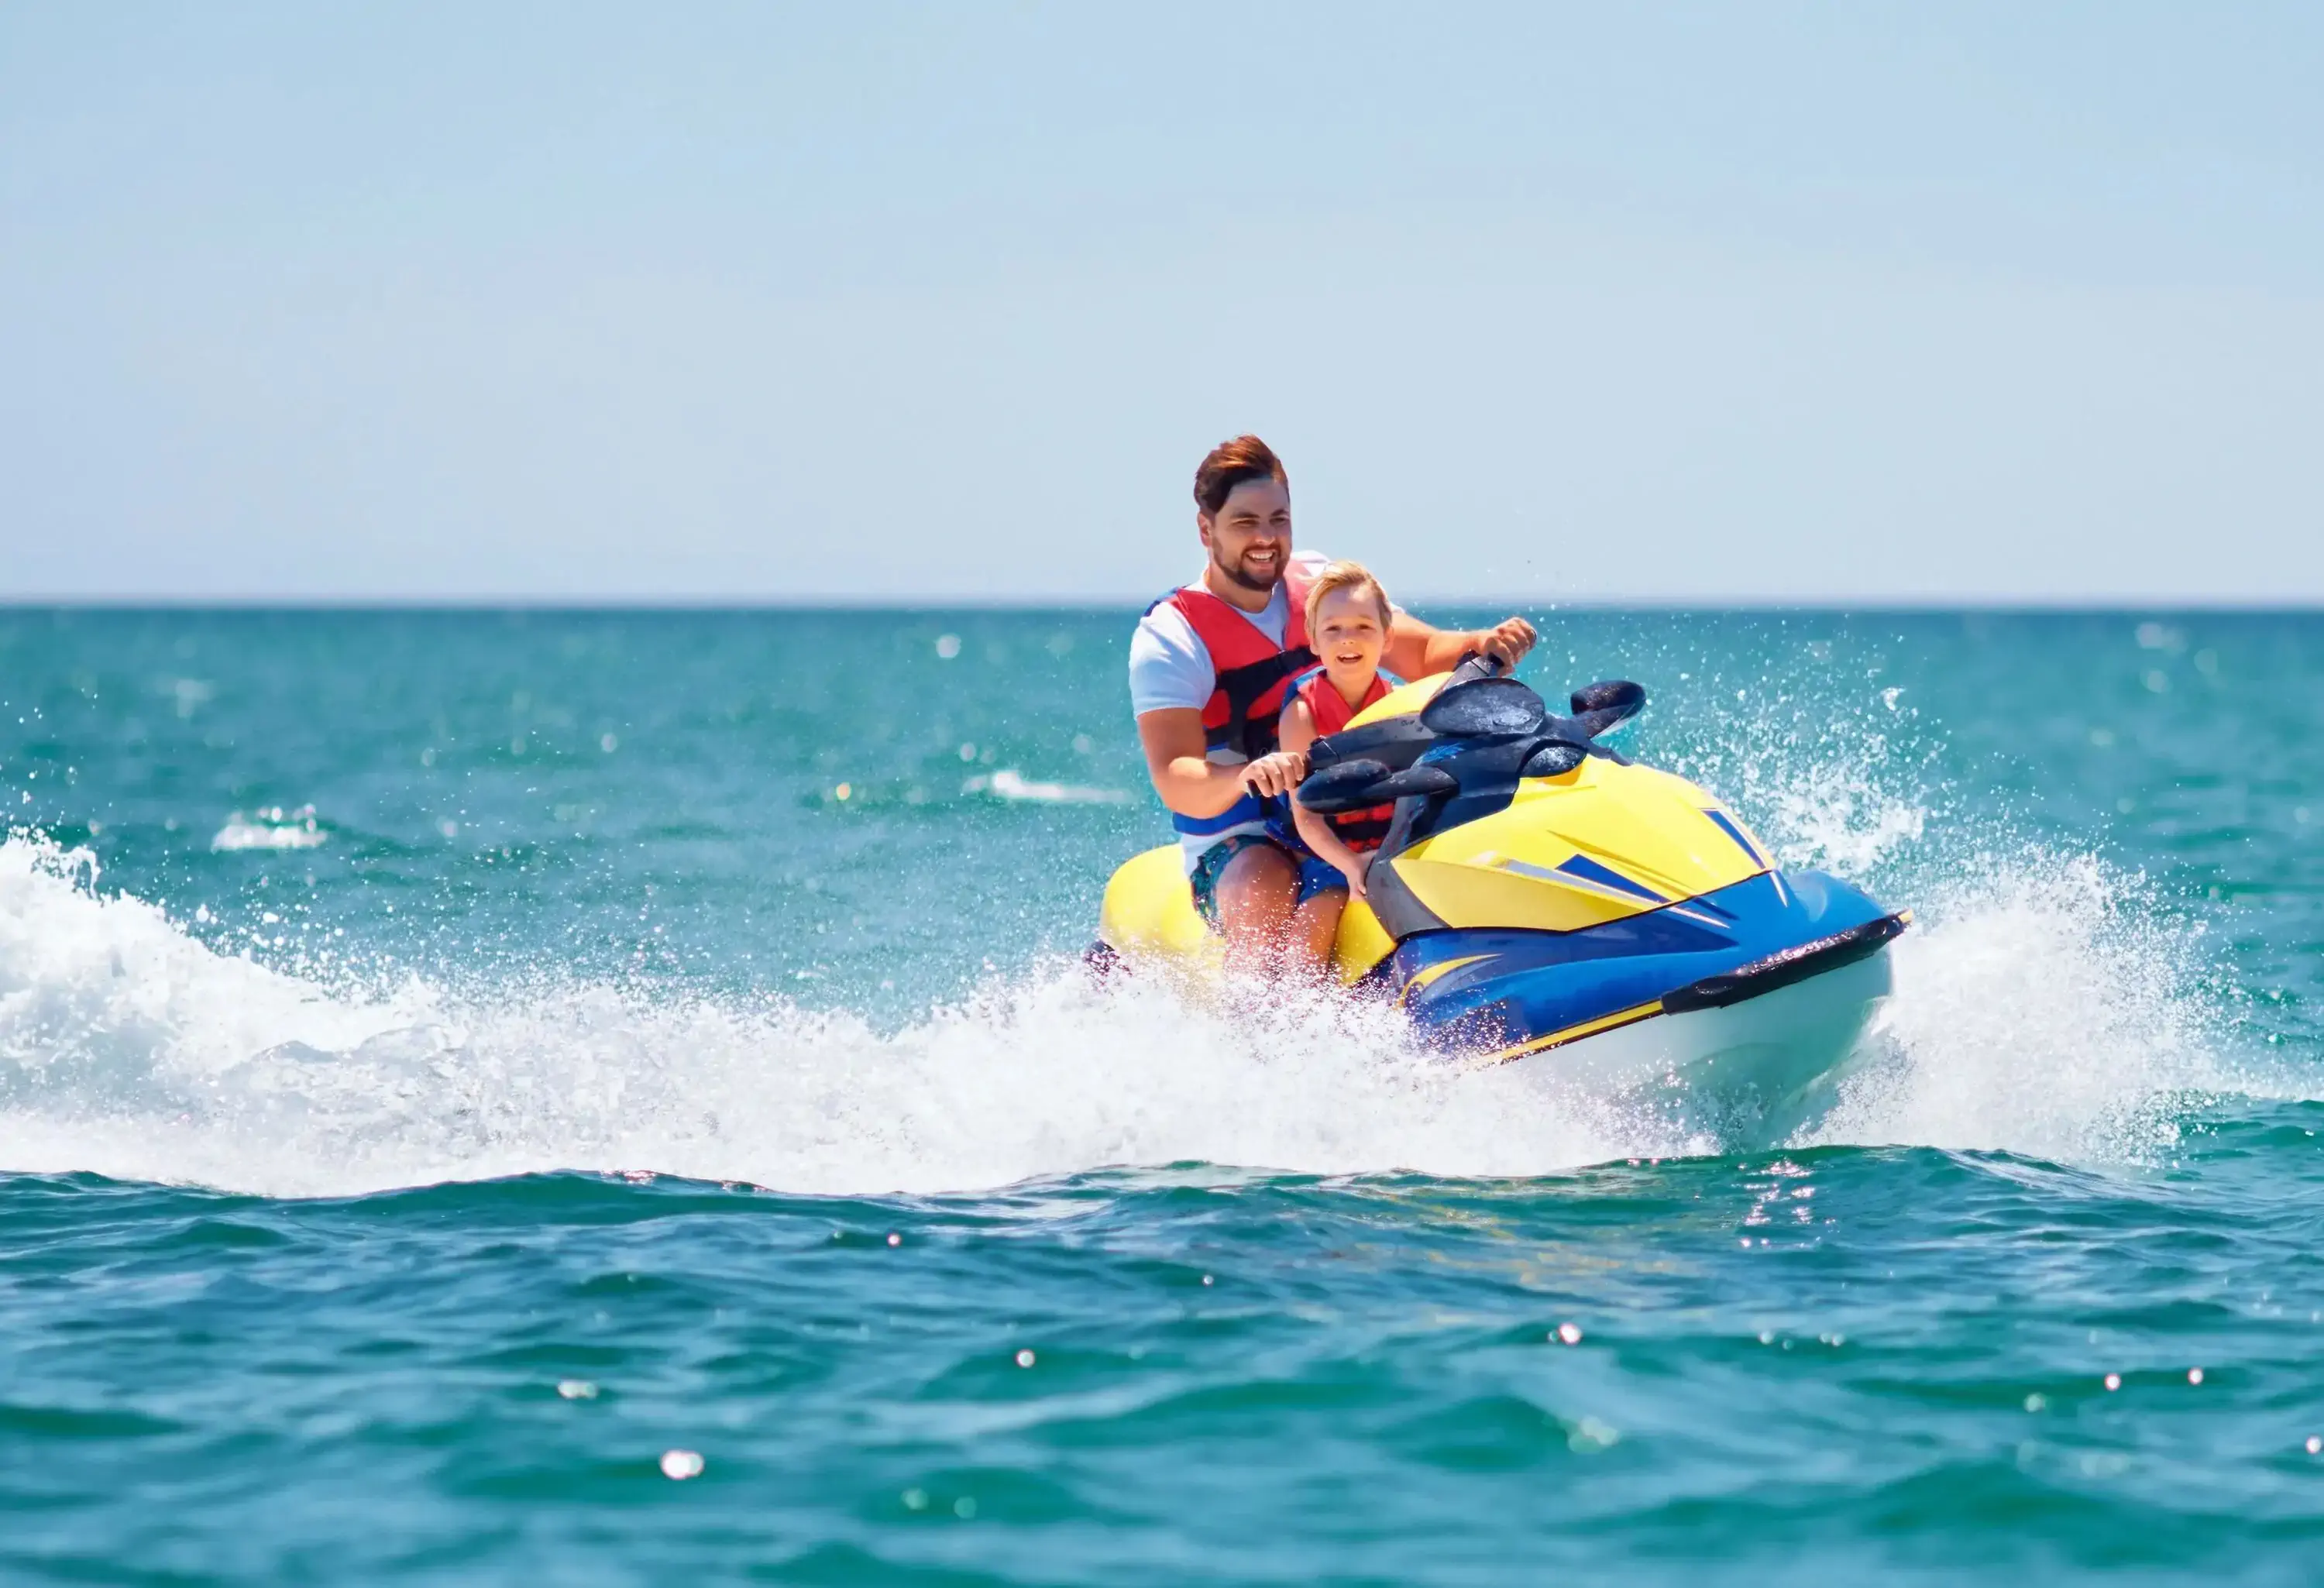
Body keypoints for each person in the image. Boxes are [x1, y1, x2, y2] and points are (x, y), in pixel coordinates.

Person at [1129, 435, 1535, 976]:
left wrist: (1484, 643)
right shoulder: (1172, 636)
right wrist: (1248, 774)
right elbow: (1175, 775)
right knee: (1263, 890)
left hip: (1352, 808)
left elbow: (1419, 652)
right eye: (1246, 522)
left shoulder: (1322, 586)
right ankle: (1261, 1043)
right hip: (1244, 836)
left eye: (1279, 519)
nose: (1267, 539)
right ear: (1207, 529)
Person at [1260, 561, 1399, 974]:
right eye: (1333, 629)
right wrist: (1350, 865)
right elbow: (1306, 816)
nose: (1348, 640)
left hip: (1386, 841)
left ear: (1387, 637)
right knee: (1323, 908)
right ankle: (1298, 1010)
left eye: (1363, 627)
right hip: (1323, 846)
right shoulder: (1303, 712)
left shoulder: (1399, 705)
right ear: (1315, 642)